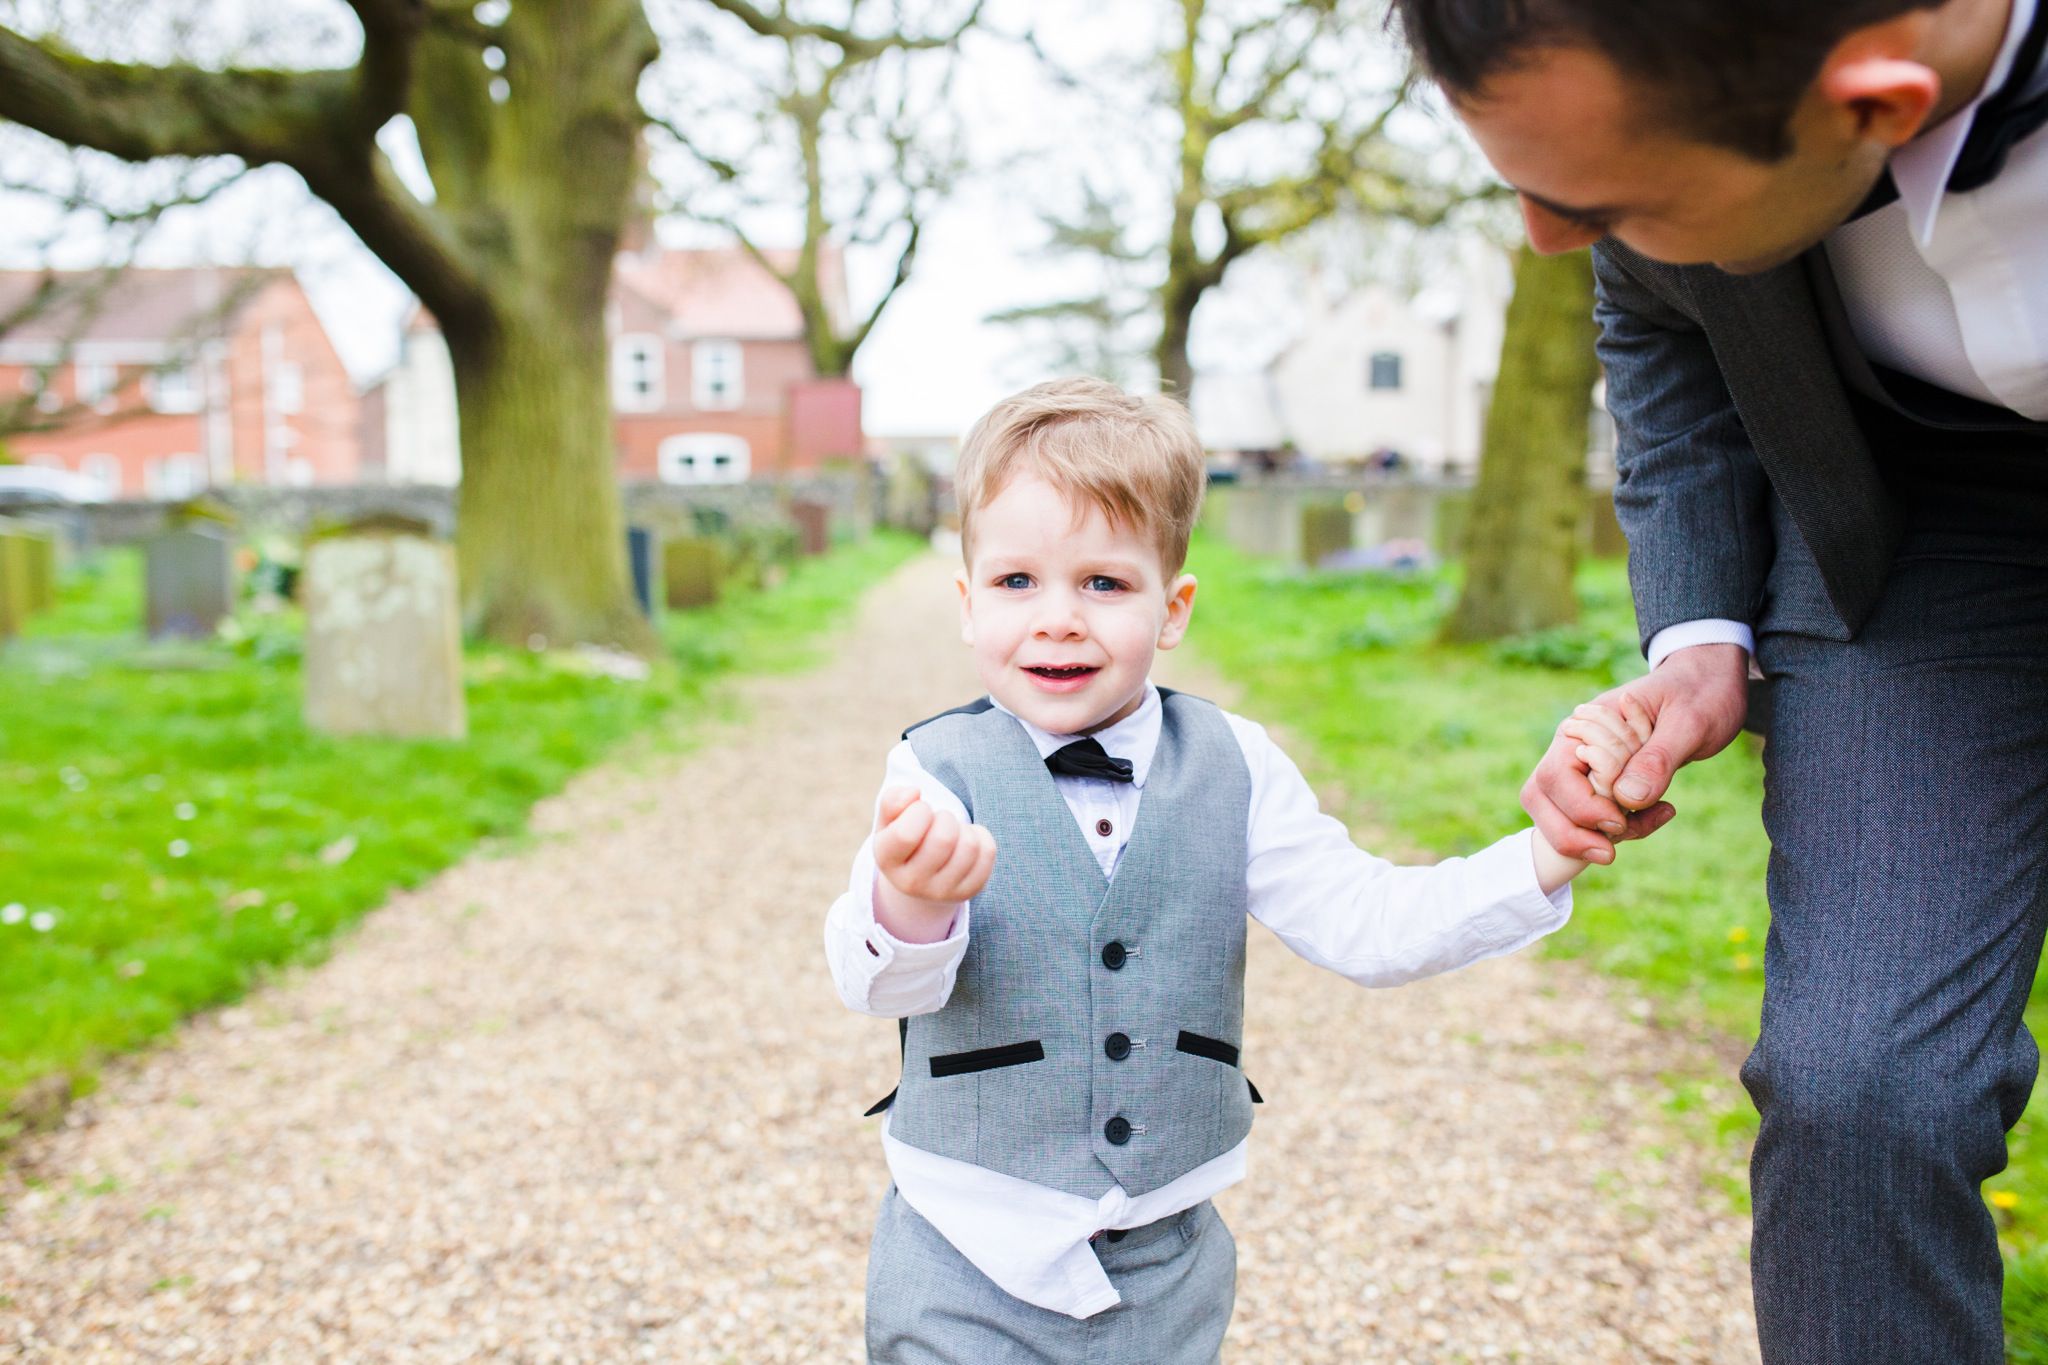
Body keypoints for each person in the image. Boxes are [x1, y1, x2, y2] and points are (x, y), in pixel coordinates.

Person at [1390, 1, 2048, 1359]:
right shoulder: (1696, 125)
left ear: (1876, 107)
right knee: (1861, 1084)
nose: (1547, 241)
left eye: (1609, 198)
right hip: (1916, 534)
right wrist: (1698, 644)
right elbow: (1660, 308)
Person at [823, 377, 1642, 1362]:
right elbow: (874, 985)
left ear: (1171, 610)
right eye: (1015, 582)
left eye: (1102, 583)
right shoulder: (934, 769)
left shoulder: (1236, 764)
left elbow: (1365, 922)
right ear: (966, 603)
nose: (1057, 619)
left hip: (1167, 1261)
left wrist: (1546, 853)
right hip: (964, 1247)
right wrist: (908, 902)